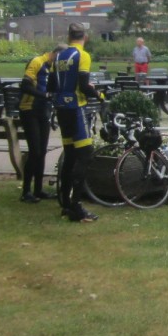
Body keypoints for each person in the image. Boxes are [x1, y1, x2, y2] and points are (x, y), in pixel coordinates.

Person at [48, 23, 103, 222]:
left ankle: (65, 202)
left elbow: (51, 85)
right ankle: (76, 207)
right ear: (85, 37)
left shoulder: (59, 56)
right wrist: (99, 95)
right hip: (76, 107)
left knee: (70, 155)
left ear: (69, 37)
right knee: (85, 154)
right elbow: (83, 85)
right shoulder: (83, 55)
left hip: (61, 108)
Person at [18, 44, 61, 203]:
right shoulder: (37, 62)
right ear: (55, 54)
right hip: (29, 110)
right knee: (35, 151)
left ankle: (38, 189)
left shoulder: (53, 68)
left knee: (42, 151)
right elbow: (25, 85)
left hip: (44, 111)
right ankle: (26, 191)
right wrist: (45, 95)